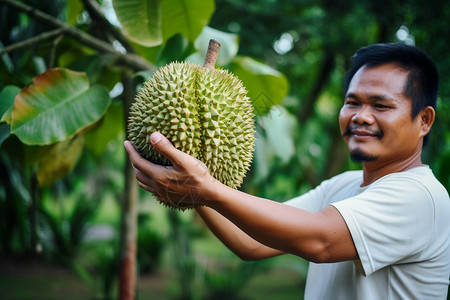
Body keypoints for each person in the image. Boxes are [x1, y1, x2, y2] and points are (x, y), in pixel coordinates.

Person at [124, 43, 450, 299]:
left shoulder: (421, 197)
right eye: (352, 103)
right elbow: (251, 243)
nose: (361, 116)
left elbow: (321, 242)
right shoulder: (343, 187)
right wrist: (191, 187)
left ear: (424, 120)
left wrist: (205, 187)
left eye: (381, 106)